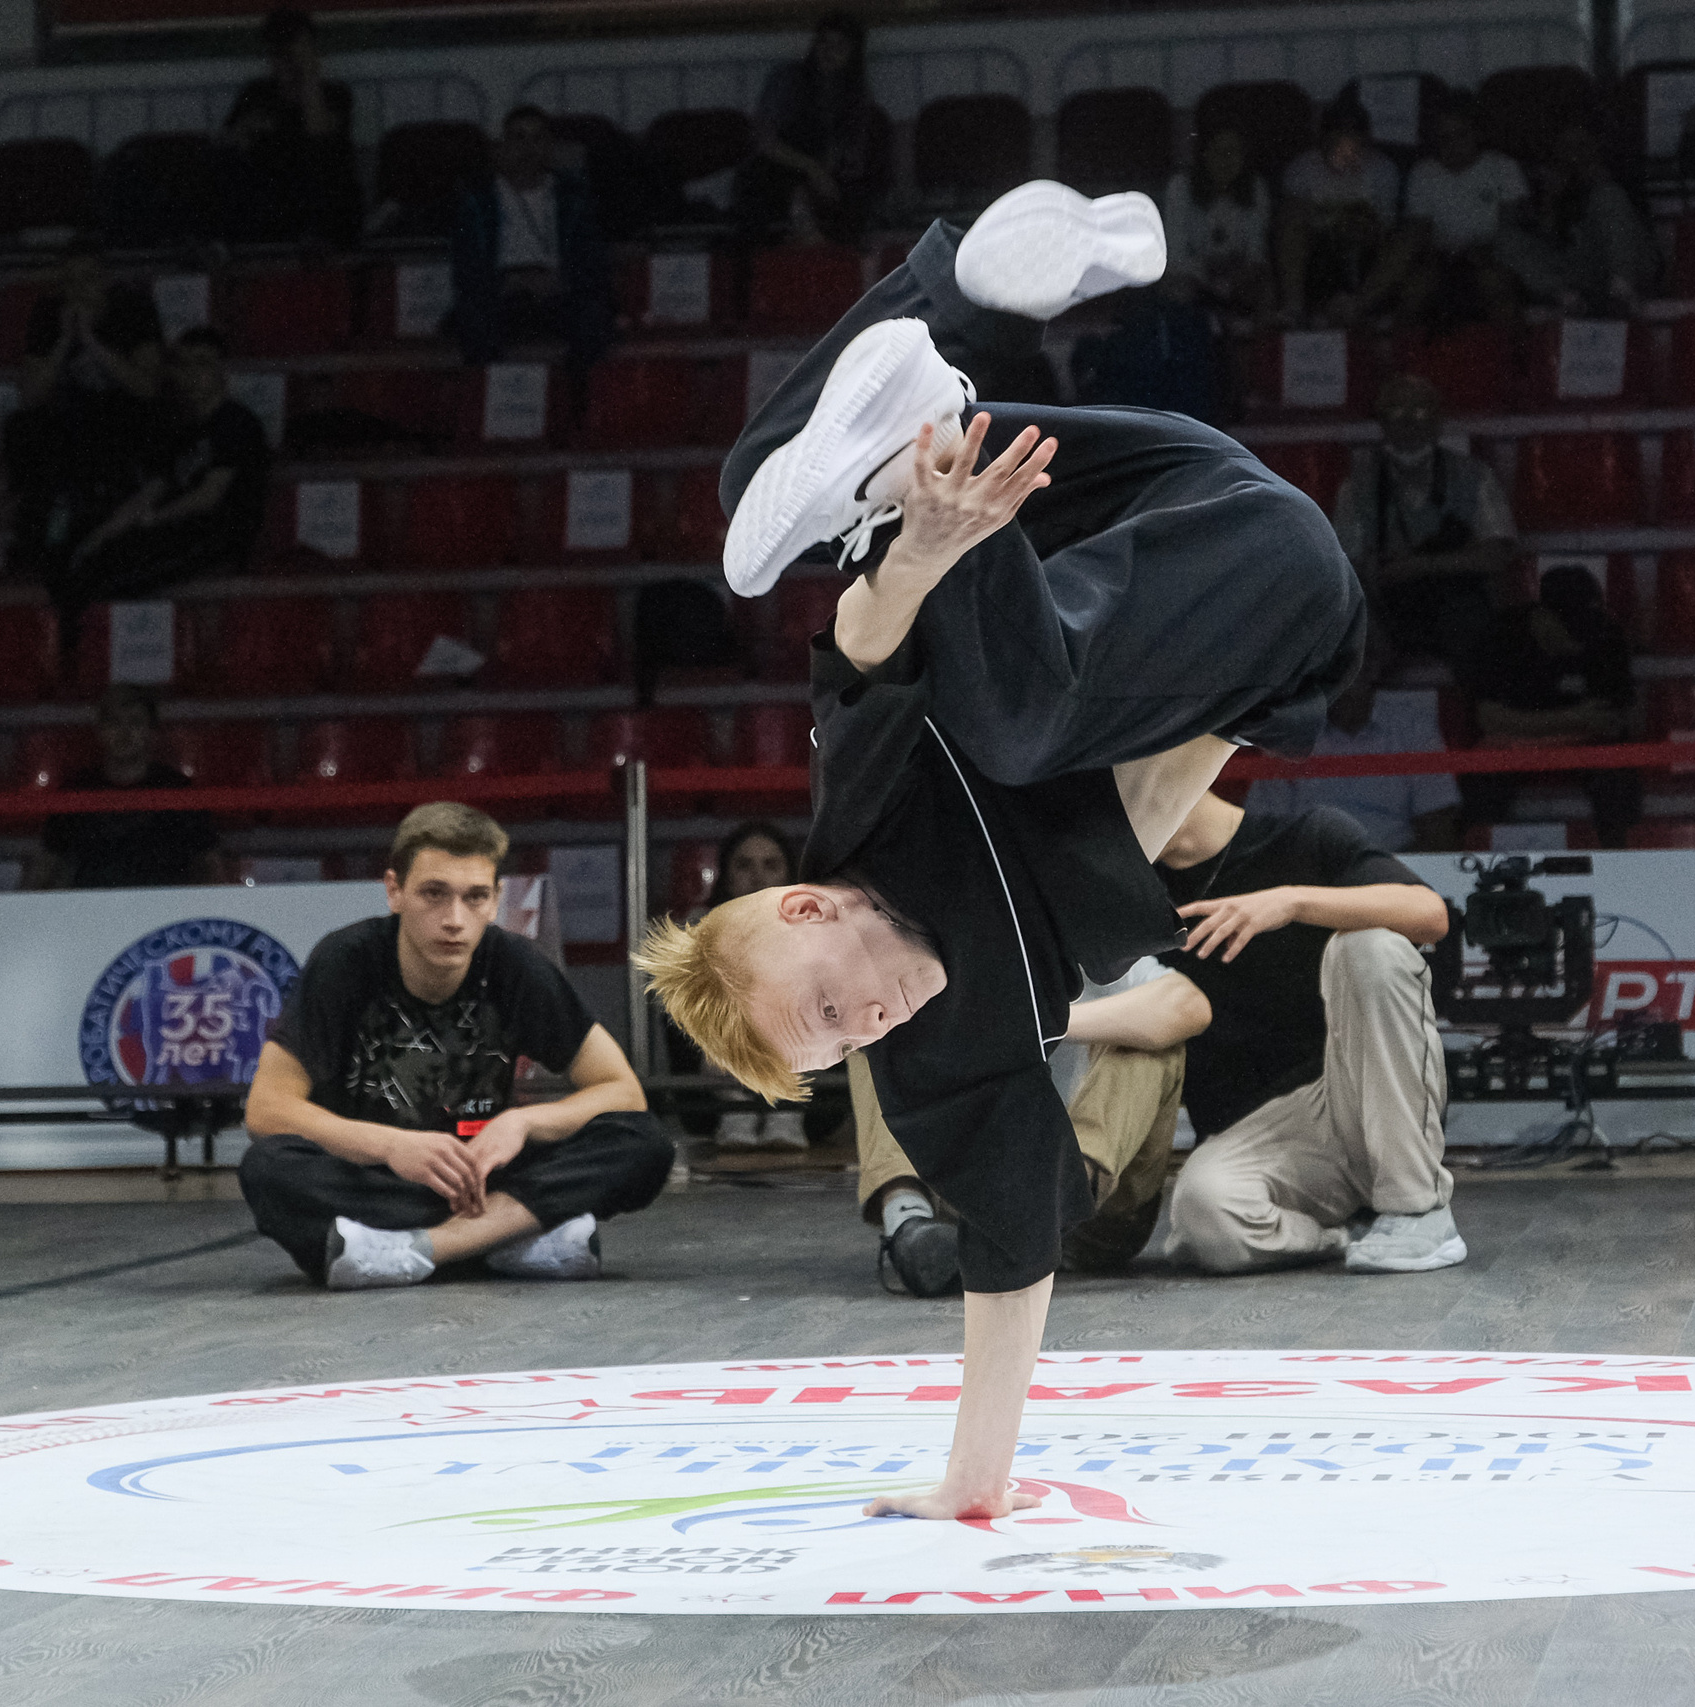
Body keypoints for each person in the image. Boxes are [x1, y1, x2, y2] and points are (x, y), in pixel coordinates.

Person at [638, 179, 1363, 1526]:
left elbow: (859, 652)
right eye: (832, 1045)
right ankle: (918, 424)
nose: (859, 1022)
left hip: (1128, 497)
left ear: (807, 902)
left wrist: (913, 547)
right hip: (1270, 607)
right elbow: (1011, 1250)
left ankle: (969, 285)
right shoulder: (940, 1059)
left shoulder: (864, 822)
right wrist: (972, 1488)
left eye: (822, 1000)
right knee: (1004, 706)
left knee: (756, 497)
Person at [240, 802, 674, 1290]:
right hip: (384, 1178)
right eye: (434, 894)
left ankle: (421, 1251)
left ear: (496, 901)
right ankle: (514, 1240)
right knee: (268, 1168)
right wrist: (392, 1147)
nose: (454, 919)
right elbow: (267, 1110)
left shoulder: (515, 965)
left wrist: (523, 1122)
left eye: (475, 898)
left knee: (643, 1142)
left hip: (488, 1178)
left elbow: (621, 1092)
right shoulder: (346, 960)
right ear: (394, 891)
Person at [1151, 791, 1461, 1274]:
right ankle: (1338, 1238)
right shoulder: (1129, 890)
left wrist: (1293, 902)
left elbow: (1429, 914)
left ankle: (1418, 1210)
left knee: (1371, 948)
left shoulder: (1309, 835)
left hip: (1358, 1089)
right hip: (1268, 1136)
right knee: (1203, 1212)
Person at [855, 961, 1206, 1297]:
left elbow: (1189, 1004)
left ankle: (1048, 1209)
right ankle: (909, 1223)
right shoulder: (951, 950)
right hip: (970, 1199)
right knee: (873, 1016)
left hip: (1087, 1213)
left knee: (1156, 1040)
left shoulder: (1095, 949)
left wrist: (1039, 1025)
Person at [50, 327, 270, 629]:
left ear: (222, 371)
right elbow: (152, 491)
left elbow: (209, 496)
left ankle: (85, 657)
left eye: (202, 363)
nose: (192, 373)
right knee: (84, 559)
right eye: (184, 364)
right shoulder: (182, 430)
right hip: (174, 530)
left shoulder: (237, 423)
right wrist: (102, 534)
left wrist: (154, 520)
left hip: (216, 535)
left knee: (112, 583)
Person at [5, 247, 166, 586]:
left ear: (104, 281)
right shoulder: (49, 314)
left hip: (125, 413)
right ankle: (29, 522)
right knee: (21, 426)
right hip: (71, 415)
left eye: (88, 279)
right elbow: (32, 394)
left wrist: (93, 343)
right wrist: (65, 341)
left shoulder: (133, 309)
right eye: (70, 281)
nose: (79, 289)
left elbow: (147, 386)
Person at [1329, 373, 1516, 665]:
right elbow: (1348, 566)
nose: (1408, 420)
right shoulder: (1357, 488)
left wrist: (1420, 566)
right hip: (1389, 606)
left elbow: (1498, 554)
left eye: (1420, 410)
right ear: (1381, 420)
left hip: (1456, 605)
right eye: (1396, 410)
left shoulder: (1474, 475)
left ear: (1438, 420)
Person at [1456, 562, 1642, 847]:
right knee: (1482, 781)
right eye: (1569, 630)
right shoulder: (1502, 634)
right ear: (1543, 615)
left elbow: (1611, 719)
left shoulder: (1607, 636)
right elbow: (1488, 718)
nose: (1576, 643)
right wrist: (1574, 718)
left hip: (1557, 744)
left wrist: (1526, 730)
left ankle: (1619, 867)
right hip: (1518, 746)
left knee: (1618, 776)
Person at [669, 822, 812, 1151]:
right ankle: (735, 1110)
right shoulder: (697, 927)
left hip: (805, 1082)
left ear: (789, 875)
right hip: (713, 1082)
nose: (758, 877)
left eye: (771, 866)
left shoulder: (816, 927)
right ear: (726, 875)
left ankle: (785, 1109)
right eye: (744, 865)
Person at [450, 106, 615, 379]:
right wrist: (507, 281)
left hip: (559, 293)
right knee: (476, 323)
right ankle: (489, 406)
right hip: (501, 294)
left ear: (549, 146)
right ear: (502, 147)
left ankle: (575, 404)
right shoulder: (476, 201)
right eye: (518, 138)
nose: (528, 147)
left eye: (537, 138)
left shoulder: (574, 197)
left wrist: (563, 280)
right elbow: (466, 266)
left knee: (593, 320)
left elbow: (592, 258)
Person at [1249, 643, 1462, 853]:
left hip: (1393, 867)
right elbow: (1266, 830)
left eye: (1361, 658)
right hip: (1310, 871)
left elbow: (1437, 827)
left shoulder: (1413, 727)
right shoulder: (1290, 730)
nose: (1348, 672)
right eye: (1335, 661)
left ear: (1375, 666)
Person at [31, 685, 221, 890]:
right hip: (91, 911)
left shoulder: (178, 790)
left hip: (164, 910)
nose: (125, 732)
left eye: (135, 722)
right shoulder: (77, 789)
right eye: (114, 722)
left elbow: (210, 865)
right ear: (100, 730)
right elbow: (46, 864)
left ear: (152, 731)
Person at [734, 13, 892, 247]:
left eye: (840, 46)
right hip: (777, 171)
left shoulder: (855, 96)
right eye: (824, 43)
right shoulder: (787, 80)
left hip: (824, 177)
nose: (829, 52)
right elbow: (764, 141)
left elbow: (852, 155)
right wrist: (811, 169)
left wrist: (826, 175)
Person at [217, 8, 361, 248]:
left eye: (291, 51)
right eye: (278, 53)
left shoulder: (335, 94)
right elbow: (226, 141)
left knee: (323, 164)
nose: (285, 60)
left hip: (322, 204)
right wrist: (246, 131)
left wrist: (308, 75)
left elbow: (322, 136)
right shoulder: (256, 94)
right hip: (270, 199)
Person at [1493, 120, 1659, 314]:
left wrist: (1593, 184)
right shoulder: (1540, 181)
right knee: (1505, 238)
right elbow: (1538, 238)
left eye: (1581, 145)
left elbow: (1632, 229)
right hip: (1575, 274)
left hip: (1621, 266)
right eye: (1566, 146)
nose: (1574, 153)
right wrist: (1550, 202)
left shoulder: (1619, 174)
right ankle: (1569, 301)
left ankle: (1621, 293)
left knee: (1609, 196)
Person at [1390, 98, 1529, 328]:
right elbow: (1418, 233)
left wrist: (1484, 254)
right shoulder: (1423, 173)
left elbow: (1511, 231)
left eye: (1461, 135)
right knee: (1413, 289)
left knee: (1495, 284)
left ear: (1476, 133)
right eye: (1445, 138)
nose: (1453, 144)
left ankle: (1509, 356)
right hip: (1440, 259)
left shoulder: (1503, 168)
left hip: (1489, 256)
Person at [1277, 94, 1404, 326]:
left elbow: (1385, 228)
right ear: (1323, 139)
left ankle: (1358, 305)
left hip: (1366, 251)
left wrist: (1356, 224)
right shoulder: (1302, 169)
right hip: (1317, 253)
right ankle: (1294, 310)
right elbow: (1293, 221)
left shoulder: (1383, 170)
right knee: (1292, 222)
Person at [1162, 127, 1275, 320]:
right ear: (1204, 154)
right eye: (1219, 152)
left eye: (1233, 152)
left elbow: (1256, 253)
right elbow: (1175, 256)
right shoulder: (1180, 187)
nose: (1226, 160)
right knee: (1176, 289)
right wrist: (1206, 272)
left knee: (1264, 285)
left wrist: (1237, 276)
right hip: (1193, 278)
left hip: (1239, 277)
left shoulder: (1255, 188)